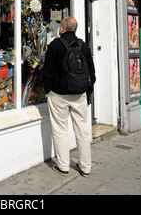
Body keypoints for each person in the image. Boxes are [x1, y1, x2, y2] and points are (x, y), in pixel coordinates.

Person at [43, 16, 96, 177]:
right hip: (79, 95)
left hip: (58, 95)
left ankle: (63, 166)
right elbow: (91, 74)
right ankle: (86, 167)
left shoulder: (55, 45)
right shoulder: (83, 46)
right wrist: (87, 93)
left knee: (60, 130)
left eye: (60, 26)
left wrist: (48, 90)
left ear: (63, 28)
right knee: (82, 131)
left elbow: (47, 72)